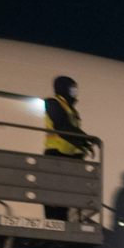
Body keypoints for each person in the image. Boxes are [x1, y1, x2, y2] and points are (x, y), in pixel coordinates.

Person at [42, 75, 96, 222]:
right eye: (72, 88)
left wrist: (85, 145)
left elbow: (72, 132)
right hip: (56, 155)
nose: (75, 92)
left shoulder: (72, 110)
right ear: (64, 88)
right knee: (54, 196)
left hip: (70, 158)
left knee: (64, 198)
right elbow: (62, 126)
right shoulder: (53, 103)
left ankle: (62, 221)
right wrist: (86, 139)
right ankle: (54, 223)